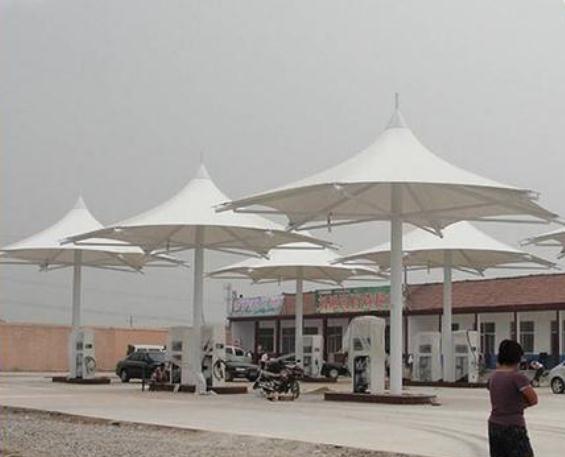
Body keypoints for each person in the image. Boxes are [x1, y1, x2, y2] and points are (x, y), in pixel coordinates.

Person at [487, 340, 538, 457]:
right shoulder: (518, 377)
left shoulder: (493, 377)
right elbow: (534, 399)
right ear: (517, 358)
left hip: (494, 426)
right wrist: (521, 404)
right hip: (513, 426)